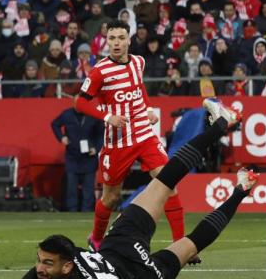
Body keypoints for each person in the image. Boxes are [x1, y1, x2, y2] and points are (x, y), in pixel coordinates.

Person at [0, 100, 254, 279]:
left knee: (164, 182)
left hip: (119, 249)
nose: (39, 268)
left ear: (67, 264)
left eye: (46, 263)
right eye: (41, 262)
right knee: (190, 245)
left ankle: (220, 124)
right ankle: (241, 190)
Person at [74, 20, 194, 263]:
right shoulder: (100, 71)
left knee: (169, 182)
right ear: (106, 41)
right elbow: (80, 102)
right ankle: (96, 238)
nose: (116, 43)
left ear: (129, 40)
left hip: (144, 133)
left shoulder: (139, 62)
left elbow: (139, 89)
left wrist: (148, 108)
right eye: (111, 39)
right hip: (118, 142)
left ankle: (181, 244)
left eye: (120, 38)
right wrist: (108, 116)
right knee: (111, 198)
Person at [51, 106, 104, 212]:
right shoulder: (67, 114)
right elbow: (54, 124)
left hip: (89, 157)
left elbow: (101, 133)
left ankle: (87, 211)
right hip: (72, 156)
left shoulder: (93, 114)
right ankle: (72, 211)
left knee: (88, 189)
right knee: (71, 188)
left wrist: (97, 148)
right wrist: (61, 137)